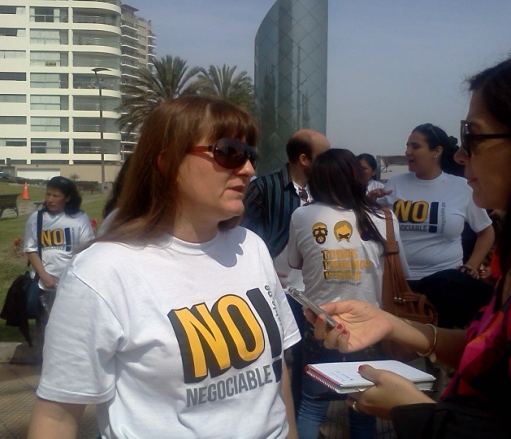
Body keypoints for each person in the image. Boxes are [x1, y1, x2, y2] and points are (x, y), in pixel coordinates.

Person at [306, 45, 511, 439]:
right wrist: (391, 324)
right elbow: (498, 351)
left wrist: (414, 411)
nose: (462, 156)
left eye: (474, 138)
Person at [28, 95, 300, 439]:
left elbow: (277, 374)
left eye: (250, 156)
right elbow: (56, 418)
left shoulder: (252, 248)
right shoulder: (102, 272)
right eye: (229, 152)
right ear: (167, 163)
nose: (247, 169)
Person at [287, 148, 410, 439]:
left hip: (320, 323)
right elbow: (401, 268)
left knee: (313, 404)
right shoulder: (384, 217)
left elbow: (294, 262)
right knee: (364, 404)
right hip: (371, 326)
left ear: (316, 180)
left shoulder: (302, 215)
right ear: (358, 178)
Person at [243, 127, 330, 414]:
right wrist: (261, 270)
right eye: (324, 155)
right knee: (282, 356)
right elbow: (245, 235)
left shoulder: (325, 192)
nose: (328, 162)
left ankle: (305, 418)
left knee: (310, 357)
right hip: (277, 290)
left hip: (316, 290)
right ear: (304, 159)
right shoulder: (265, 188)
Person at [378, 123, 496, 329]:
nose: (408, 152)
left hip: (446, 285)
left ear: (437, 151)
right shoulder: (394, 185)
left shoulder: (461, 188)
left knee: (442, 346)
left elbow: (486, 232)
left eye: (415, 146)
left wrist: (472, 265)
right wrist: (368, 206)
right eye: (407, 146)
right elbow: (376, 228)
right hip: (400, 284)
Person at [23, 176, 95, 352]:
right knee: (44, 327)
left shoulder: (78, 218)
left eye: (56, 196)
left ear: (67, 197)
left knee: (70, 329)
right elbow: (31, 250)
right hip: (44, 285)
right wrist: (44, 276)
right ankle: (42, 363)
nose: (50, 200)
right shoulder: (37, 218)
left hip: (70, 284)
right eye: (48, 194)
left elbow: (86, 249)